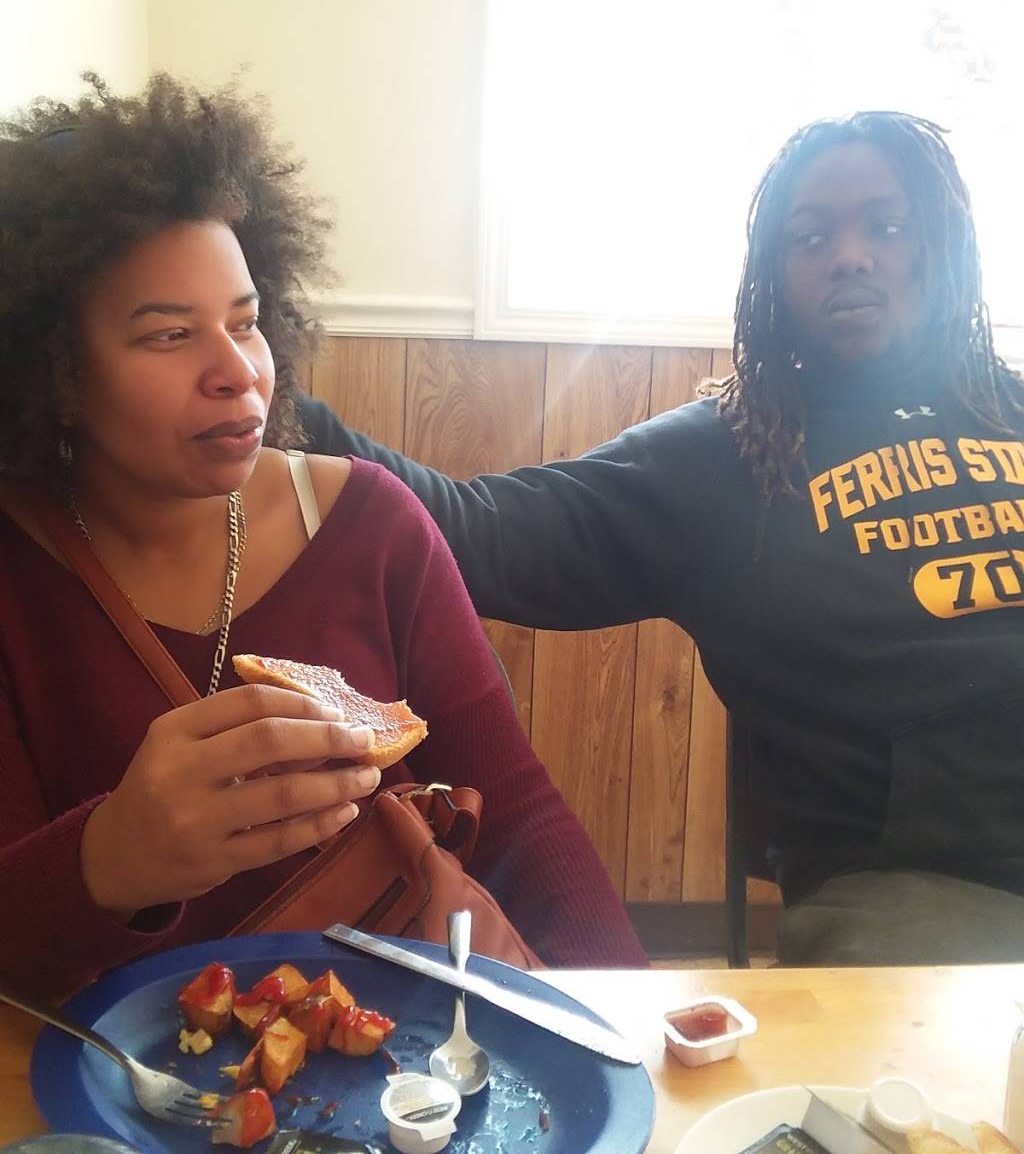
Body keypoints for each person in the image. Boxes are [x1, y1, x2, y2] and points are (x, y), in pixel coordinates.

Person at [299, 111, 1024, 966]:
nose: (851, 255)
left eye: (888, 226)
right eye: (811, 237)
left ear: (942, 244)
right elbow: (483, 530)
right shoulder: (725, 457)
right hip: (922, 895)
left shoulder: (1009, 407)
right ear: (773, 277)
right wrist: (274, 402)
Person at [0, 74, 646, 999]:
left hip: (391, 1045)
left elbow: (520, 815)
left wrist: (633, 1024)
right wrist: (107, 860)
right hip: (110, 1069)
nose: (237, 371)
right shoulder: (18, 575)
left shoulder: (372, 527)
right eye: (169, 335)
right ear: (53, 367)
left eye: (246, 322)